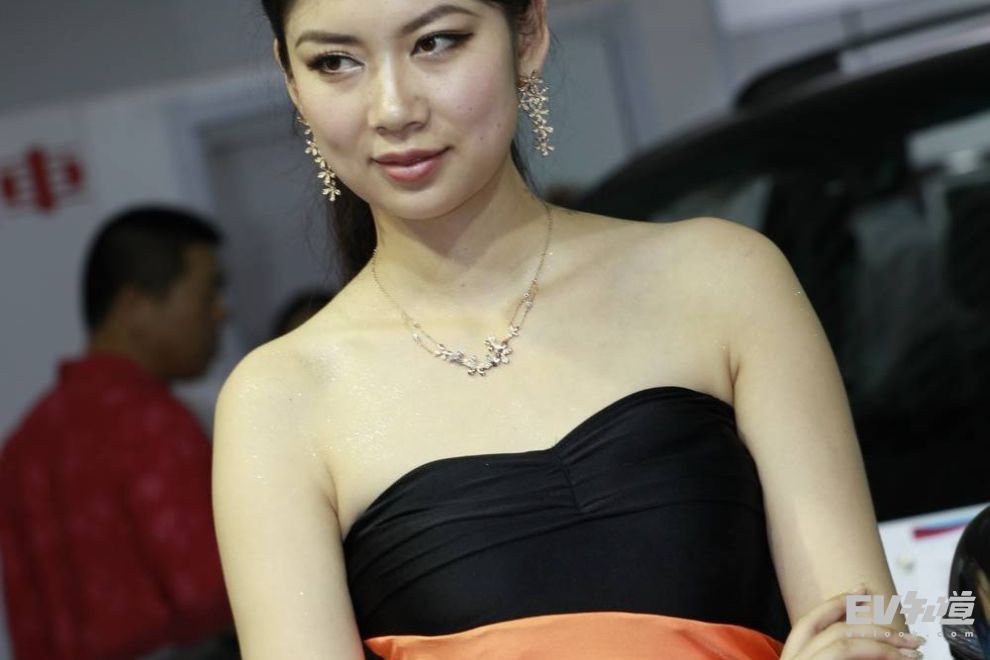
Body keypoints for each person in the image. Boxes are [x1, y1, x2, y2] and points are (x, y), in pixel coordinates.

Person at [212, 1, 924, 658]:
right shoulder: (282, 400)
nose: (393, 108)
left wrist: (868, 644)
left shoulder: (723, 280)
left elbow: (866, 618)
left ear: (527, 36)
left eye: (437, 42)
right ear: (292, 82)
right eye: (336, 61)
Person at [0, 206, 236, 659]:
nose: (220, 312)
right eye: (208, 292)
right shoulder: (151, 421)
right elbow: (215, 592)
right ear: (135, 306)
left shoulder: (24, 445)